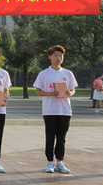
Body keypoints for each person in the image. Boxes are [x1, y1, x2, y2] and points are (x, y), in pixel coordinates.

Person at [33, 45, 78, 174]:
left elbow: (73, 89)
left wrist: (70, 93)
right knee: (50, 137)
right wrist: (50, 94)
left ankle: (59, 162)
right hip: (50, 110)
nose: (58, 58)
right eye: (55, 56)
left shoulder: (68, 73)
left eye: (60, 56)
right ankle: (49, 162)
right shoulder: (44, 74)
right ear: (50, 57)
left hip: (65, 110)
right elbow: (38, 91)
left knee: (61, 138)